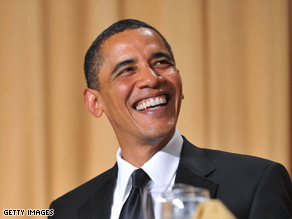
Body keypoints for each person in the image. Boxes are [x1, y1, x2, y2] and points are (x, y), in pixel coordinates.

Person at [49, 19, 292, 219]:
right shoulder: (65, 211)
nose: (152, 78)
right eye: (127, 70)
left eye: (162, 63)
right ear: (94, 102)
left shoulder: (255, 182)